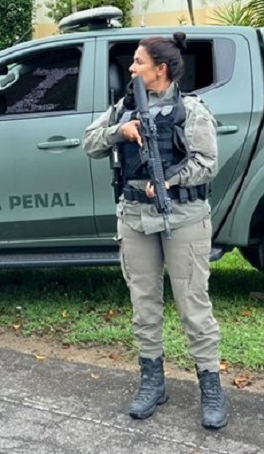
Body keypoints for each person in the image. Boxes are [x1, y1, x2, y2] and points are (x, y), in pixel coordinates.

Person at [83, 33, 227, 430]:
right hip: (135, 218)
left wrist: (171, 180)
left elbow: (207, 163)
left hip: (184, 217)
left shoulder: (191, 110)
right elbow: (90, 143)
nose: (132, 68)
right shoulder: (123, 108)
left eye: (139, 62)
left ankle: (211, 386)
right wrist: (121, 131)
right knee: (144, 305)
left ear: (160, 69)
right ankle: (152, 382)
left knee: (193, 306)